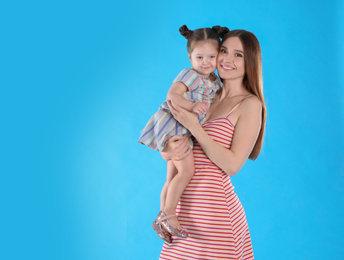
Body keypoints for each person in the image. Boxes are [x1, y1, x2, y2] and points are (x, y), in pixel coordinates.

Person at [158, 28, 266, 259]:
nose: (227, 59)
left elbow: (233, 165)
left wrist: (194, 126)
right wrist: (168, 150)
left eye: (238, 54)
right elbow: (174, 145)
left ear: (251, 61)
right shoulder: (203, 95)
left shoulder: (249, 104)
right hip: (182, 212)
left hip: (215, 216)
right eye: (224, 51)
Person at [138, 25, 229, 243]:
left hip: (185, 127)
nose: (206, 62)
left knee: (171, 176)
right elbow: (172, 96)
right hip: (173, 122)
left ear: (218, 56)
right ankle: (169, 214)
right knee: (187, 170)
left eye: (211, 56)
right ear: (190, 57)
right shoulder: (189, 74)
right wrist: (192, 104)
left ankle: (161, 218)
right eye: (199, 57)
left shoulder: (214, 81)